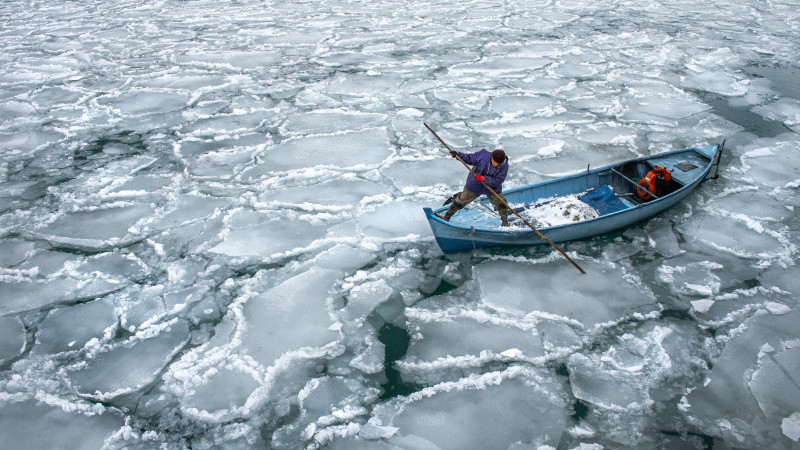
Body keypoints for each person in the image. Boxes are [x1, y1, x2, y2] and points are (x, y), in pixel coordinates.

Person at [443, 148, 509, 226]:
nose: (496, 165)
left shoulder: (505, 166)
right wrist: (458, 155)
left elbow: (498, 181)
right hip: (475, 184)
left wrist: (484, 179)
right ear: (491, 157)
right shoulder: (483, 155)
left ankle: (505, 224)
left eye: (498, 164)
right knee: (460, 202)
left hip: (491, 187)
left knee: (502, 204)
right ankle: (446, 218)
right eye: (494, 162)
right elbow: (470, 158)